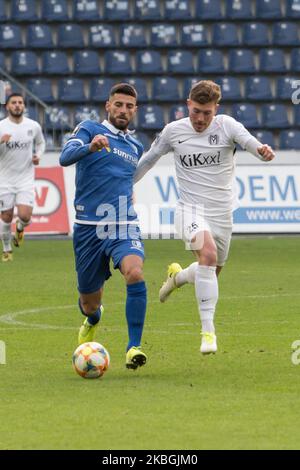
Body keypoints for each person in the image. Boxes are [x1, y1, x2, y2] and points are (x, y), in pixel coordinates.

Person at [134, 80, 275, 355]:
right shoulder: (174, 132)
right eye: (196, 111)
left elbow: (250, 143)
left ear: (216, 109)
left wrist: (262, 151)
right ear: (188, 104)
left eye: (207, 113)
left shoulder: (227, 125)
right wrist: (125, 183)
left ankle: (178, 277)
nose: (200, 119)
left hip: (222, 214)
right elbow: (149, 159)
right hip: (189, 211)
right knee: (208, 256)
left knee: (209, 271)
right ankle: (208, 332)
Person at [60, 83, 147, 370]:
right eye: (118, 104)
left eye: (129, 106)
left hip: (122, 223)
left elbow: (124, 179)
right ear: (108, 106)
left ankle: (133, 347)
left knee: (134, 272)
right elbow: (64, 158)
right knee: (90, 303)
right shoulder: (88, 128)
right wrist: (90, 146)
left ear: (135, 111)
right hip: (88, 227)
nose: (123, 110)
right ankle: (93, 318)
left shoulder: (136, 146)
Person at [0, 93, 45, 262]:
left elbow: (41, 143)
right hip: (4, 179)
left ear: (24, 106)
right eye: (14, 103)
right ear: (8, 106)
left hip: (25, 178)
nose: (17, 105)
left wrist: (38, 155)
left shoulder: (33, 126)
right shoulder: (2, 127)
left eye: (20, 102)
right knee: (6, 216)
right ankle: (7, 249)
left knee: (25, 216)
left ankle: (19, 228)